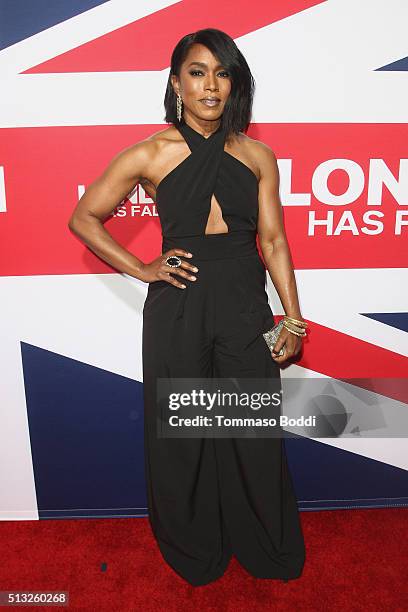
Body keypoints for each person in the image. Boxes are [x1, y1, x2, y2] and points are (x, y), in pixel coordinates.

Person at [68, 28, 307, 587]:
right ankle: (195, 545)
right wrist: (144, 268)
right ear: (176, 83)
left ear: (234, 84)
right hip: (179, 308)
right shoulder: (152, 152)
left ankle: (264, 543)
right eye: (197, 73)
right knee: (187, 431)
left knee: (251, 428)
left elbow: (272, 241)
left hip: (244, 305)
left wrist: (292, 318)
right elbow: (84, 218)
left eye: (222, 73)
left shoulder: (257, 155)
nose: (210, 86)